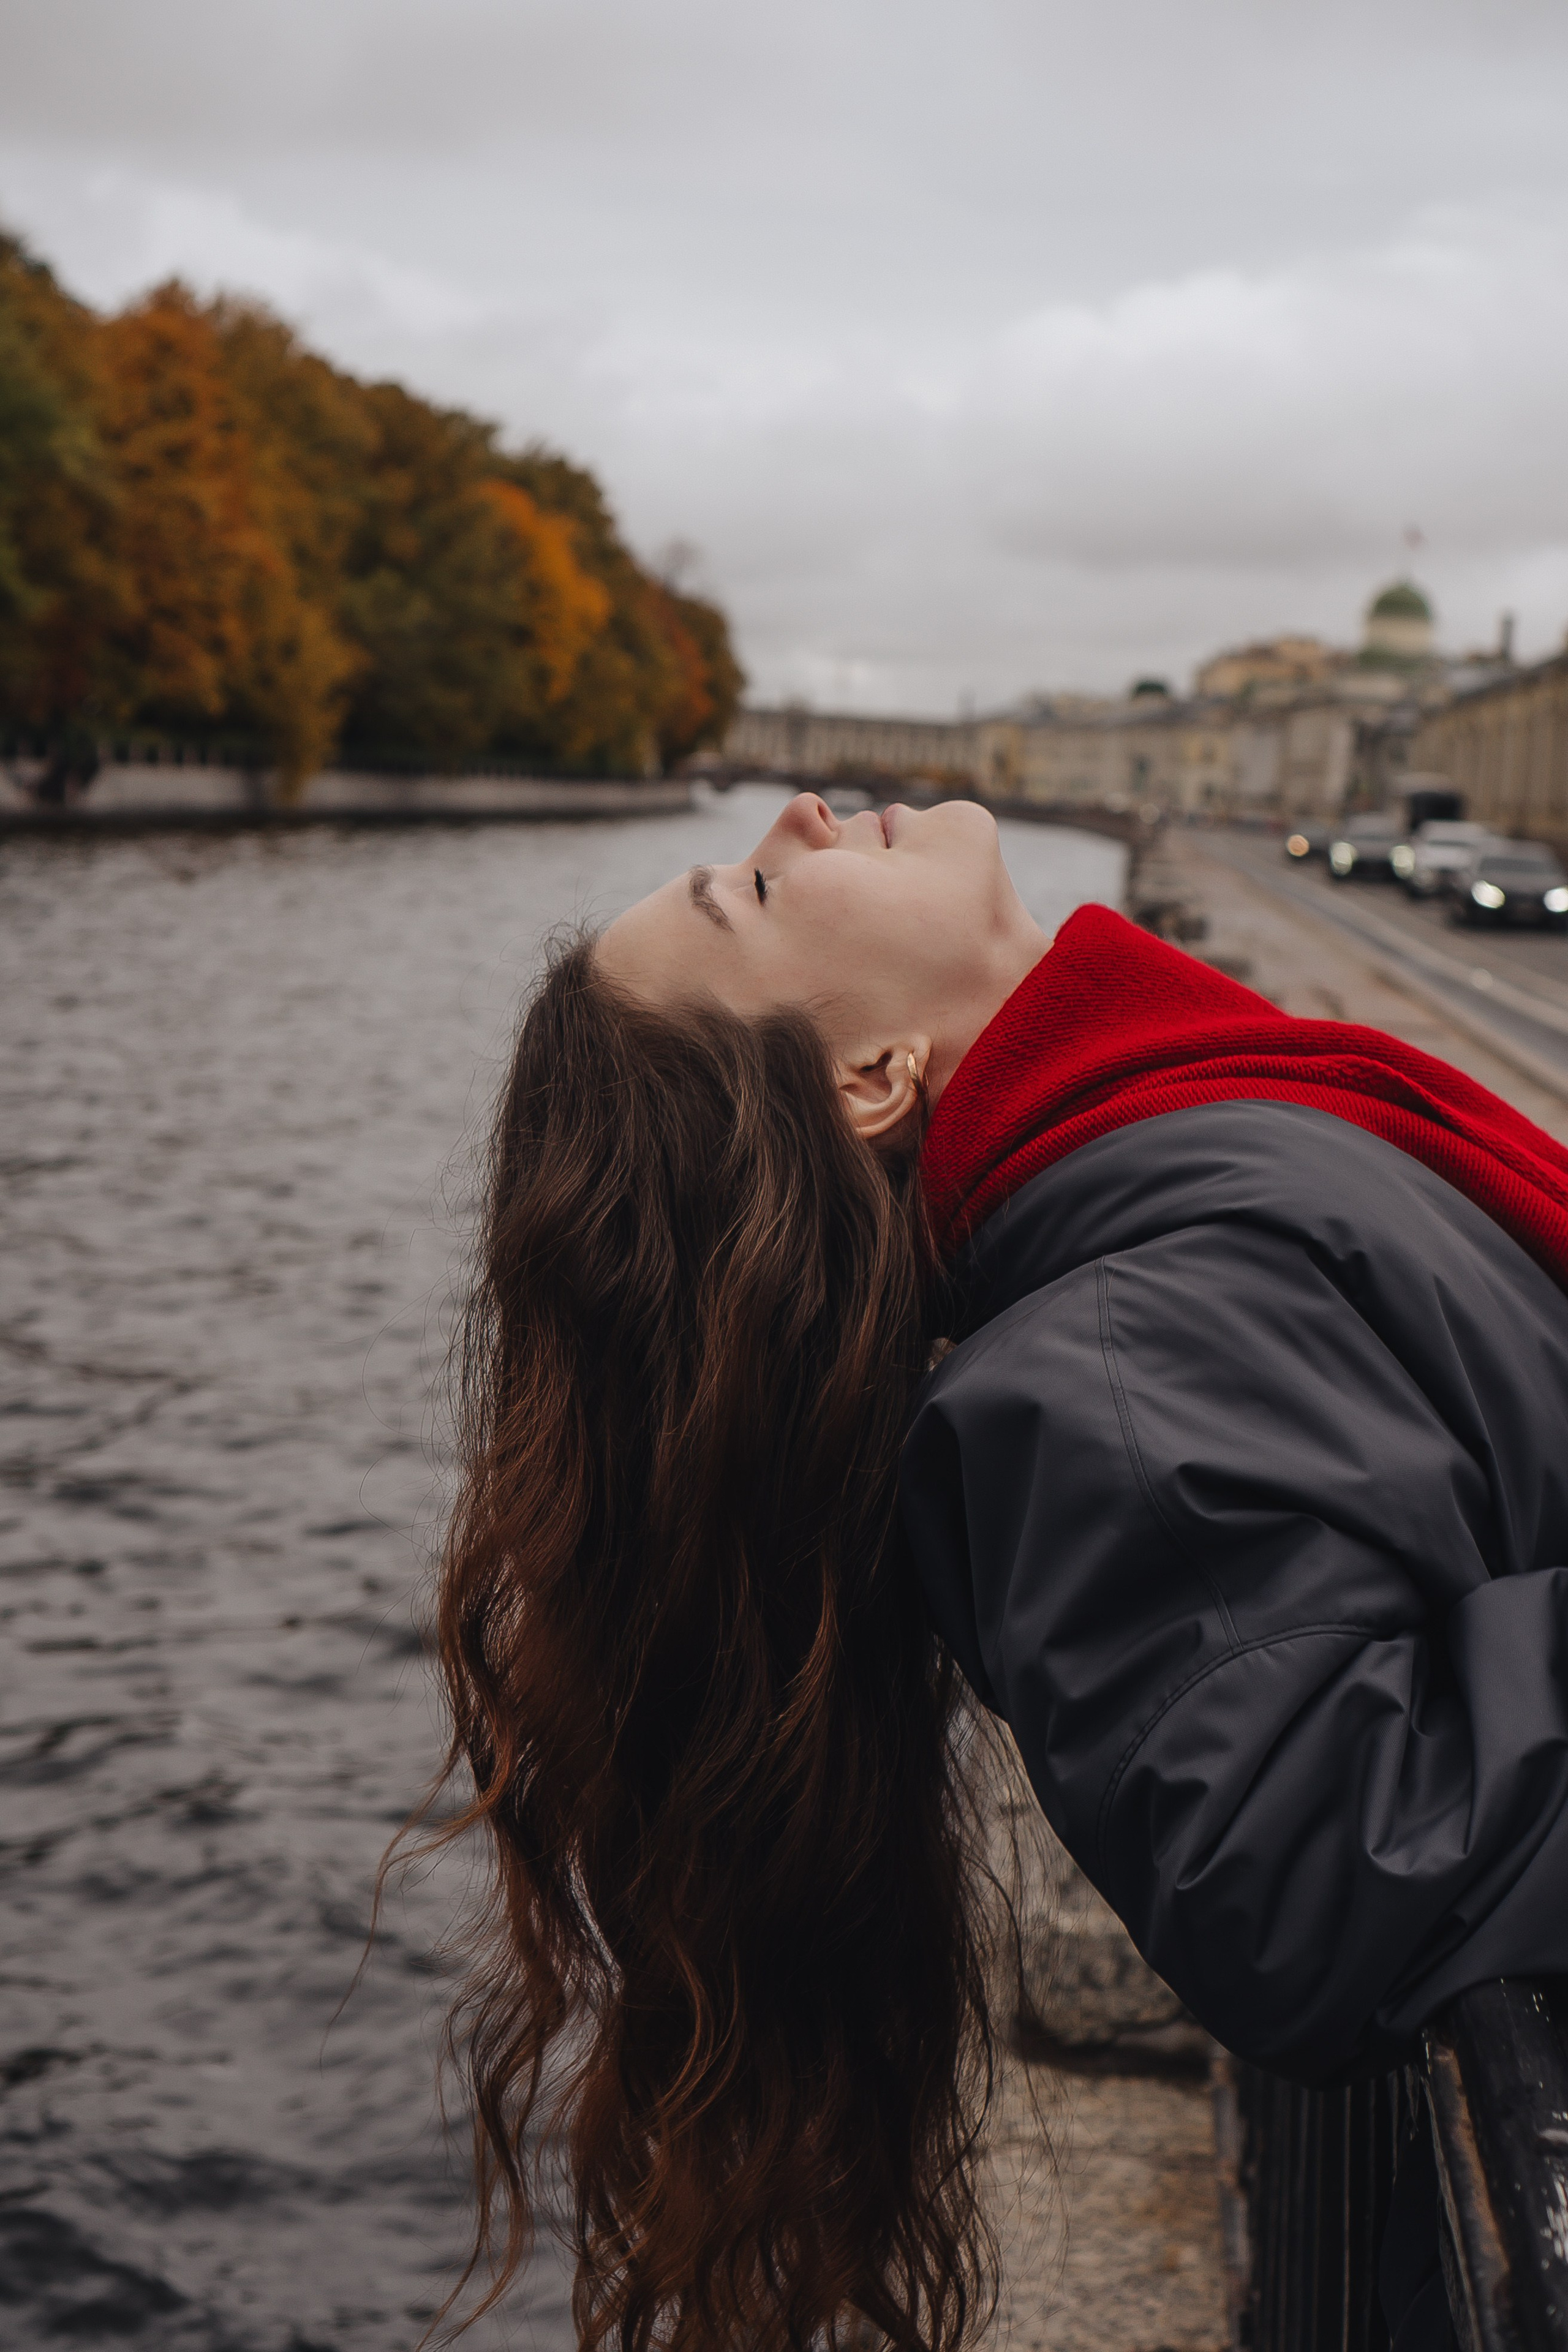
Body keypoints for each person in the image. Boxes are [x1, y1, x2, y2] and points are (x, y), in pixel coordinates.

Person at [428, 791, 1568, 2352]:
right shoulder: (1107, 1368)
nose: (800, 814)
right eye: (752, 891)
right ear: (869, 1078)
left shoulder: (1146, 1182)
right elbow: (1330, 1869)